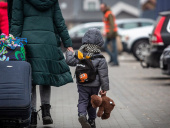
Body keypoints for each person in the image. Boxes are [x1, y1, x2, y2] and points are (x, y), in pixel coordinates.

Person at [8, 0, 74, 127]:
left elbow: (16, 22)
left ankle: (32, 115)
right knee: (45, 77)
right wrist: (68, 44)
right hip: (47, 42)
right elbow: (59, 21)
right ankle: (46, 113)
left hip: (28, 42)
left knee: (30, 79)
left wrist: (13, 45)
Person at [66, 28, 109, 128]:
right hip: (95, 85)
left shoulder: (79, 54)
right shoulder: (100, 57)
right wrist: (104, 88)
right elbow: (103, 74)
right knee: (93, 102)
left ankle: (82, 115)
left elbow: (70, 62)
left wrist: (69, 52)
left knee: (82, 100)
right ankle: (92, 120)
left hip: (82, 83)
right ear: (99, 41)